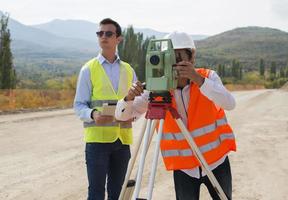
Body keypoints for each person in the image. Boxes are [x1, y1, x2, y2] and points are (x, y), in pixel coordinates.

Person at [115, 31, 237, 200]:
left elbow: (230, 103)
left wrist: (197, 79)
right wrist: (128, 98)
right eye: (169, 59)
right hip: (185, 169)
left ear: (192, 57)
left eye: (179, 58)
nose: (174, 64)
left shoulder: (208, 77)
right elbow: (122, 116)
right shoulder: (156, 89)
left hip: (216, 162)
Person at [74, 18, 137, 200]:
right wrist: (92, 114)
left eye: (108, 33)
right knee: (96, 193)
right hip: (97, 143)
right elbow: (79, 105)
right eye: (100, 33)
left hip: (122, 141)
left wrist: (133, 114)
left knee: (118, 193)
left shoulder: (129, 70)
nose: (103, 36)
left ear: (118, 39)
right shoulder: (88, 69)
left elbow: (137, 102)